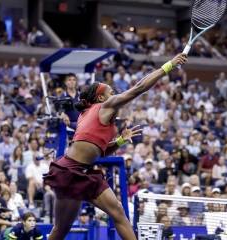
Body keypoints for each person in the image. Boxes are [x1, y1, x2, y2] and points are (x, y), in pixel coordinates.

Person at [43, 53, 187, 239]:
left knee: (118, 211)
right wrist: (168, 66)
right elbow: (138, 88)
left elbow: (97, 151)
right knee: (60, 230)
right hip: (69, 172)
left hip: (85, 172)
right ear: (101, 98)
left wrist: (119, 140)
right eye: (111, 92)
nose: (115, 95)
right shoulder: (104, 107)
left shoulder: (88, 115)